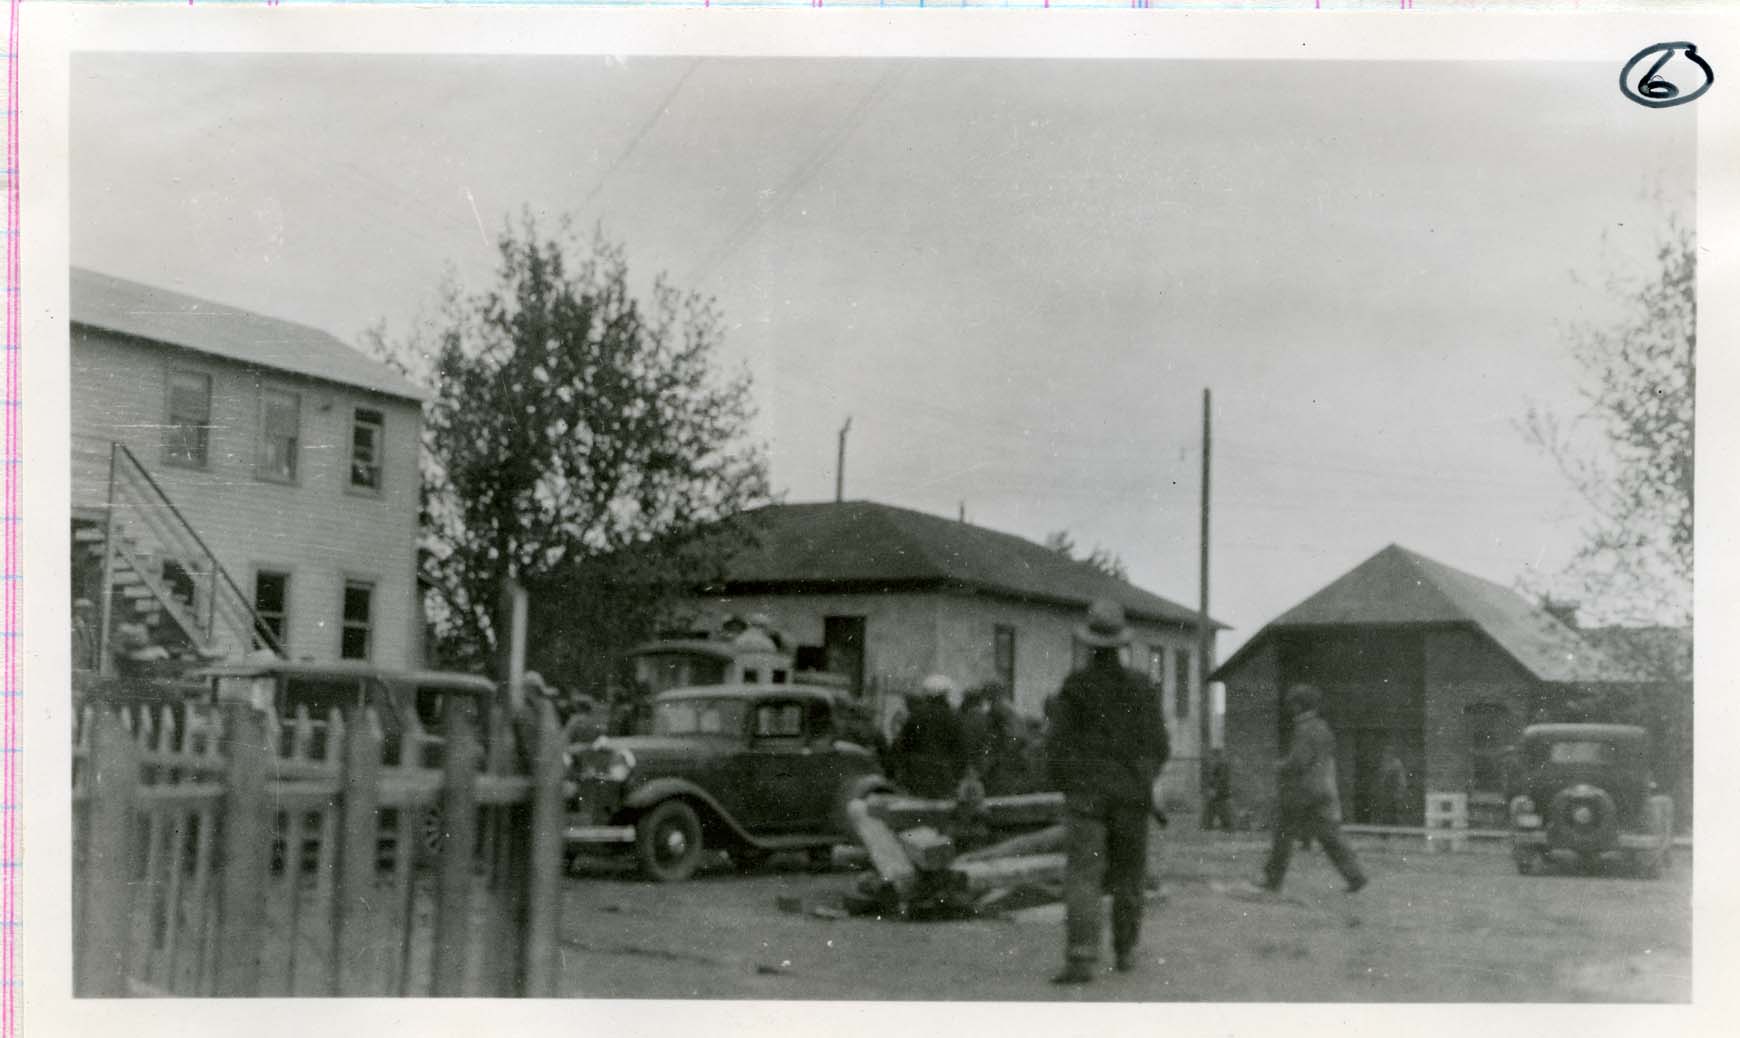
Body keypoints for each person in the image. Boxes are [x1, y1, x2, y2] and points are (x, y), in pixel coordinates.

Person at [1047, 599, 1169, 985]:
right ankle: (1126, 951)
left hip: (1086, 796)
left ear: (1088, 643)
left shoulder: (1075, 687)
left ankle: (1082, 958)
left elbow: (1057, 746)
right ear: (1121, 644)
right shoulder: (1142, 687)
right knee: (1130, 876)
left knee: (1084, 876)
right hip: (1131, 796)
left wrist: (1068, 784)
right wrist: (1142, 779)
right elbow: (1160, 746)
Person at [1261, 684, 1366, 894]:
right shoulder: (1323, 728)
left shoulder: (1304, 728)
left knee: (1283, 833)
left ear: (1299, 706)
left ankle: (1273, 881)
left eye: (1293, 704)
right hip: (1322, 790)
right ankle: (1355, 876)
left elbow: (1299, 761)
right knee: (1329, 836)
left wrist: (1280, 766)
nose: (1290, 708)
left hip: (1301, 792)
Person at [889, 674, 967, 798]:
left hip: (917, 777)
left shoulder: (916, 716)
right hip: (944, 778)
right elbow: (961, 751)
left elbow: (902, 746)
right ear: (946, 694)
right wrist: (957, 776)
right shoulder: (954, 718)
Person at [1200, 747, 1234, 832]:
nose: (1213, 759)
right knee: (1214, 808)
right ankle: (1207, 825)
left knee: (1220, 809)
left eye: (1214, 756)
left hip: (1220, 791)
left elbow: (1221, 779)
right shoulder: (1219, 765)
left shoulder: (1222, 765)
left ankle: (1224, 825)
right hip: (1218, 791)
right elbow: (1214, 778)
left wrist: (1215, 789)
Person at [1376, 741, 1409, 826]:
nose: (1386, 755)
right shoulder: (1383, 763)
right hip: (1385, 793)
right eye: (1385, 752)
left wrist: (1400, 791)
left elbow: (1401, 779)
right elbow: (1381, 778)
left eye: (1388, 752)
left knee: (1398, 812)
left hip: (1395, 792)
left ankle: (1401, 832)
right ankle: (1384, 833)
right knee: (1384, 812)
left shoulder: (1397, 764)